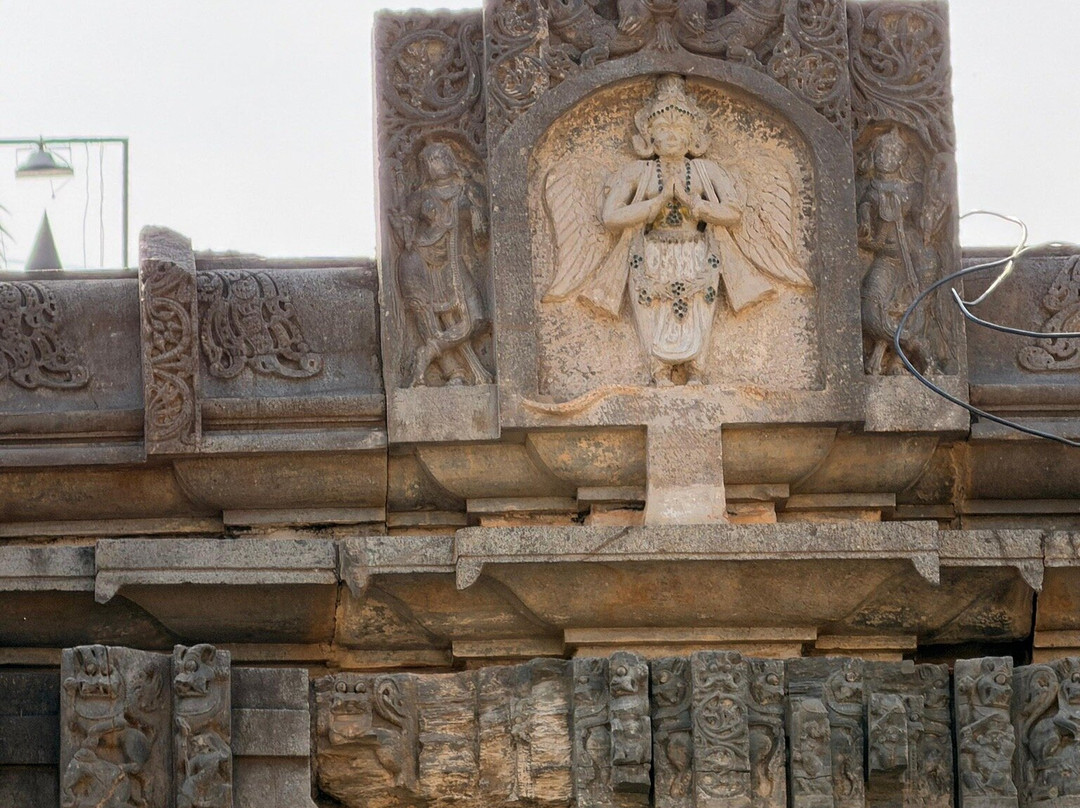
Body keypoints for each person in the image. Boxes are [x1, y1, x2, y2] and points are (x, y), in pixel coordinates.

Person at [544, 74, 810, 386]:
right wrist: (653, 205)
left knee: (698, 308)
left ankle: (697, 368)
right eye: (663, 128)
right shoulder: (636, 172)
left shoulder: (706, 171)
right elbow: (610, 216)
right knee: (653, 309)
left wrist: (694, 203)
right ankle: (658, 371)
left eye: (680, 128)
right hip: (649, 253)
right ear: (649, 136)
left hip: (697, 252)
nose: (671, 135)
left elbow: (734, 212)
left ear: (694, 135)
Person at [397, 141, 492, 387]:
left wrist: (476, 211)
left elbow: (481, 237)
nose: (435, 163)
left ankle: (430, 350)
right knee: (438, 317)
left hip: (455, 262)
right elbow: (402, 232)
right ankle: (455, 373)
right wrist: (414, 222)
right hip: (426, 263)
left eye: (440, 156)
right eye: (429, 160)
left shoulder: (467, 190)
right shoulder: (421, 196)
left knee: (477, 318)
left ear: (451, 159)